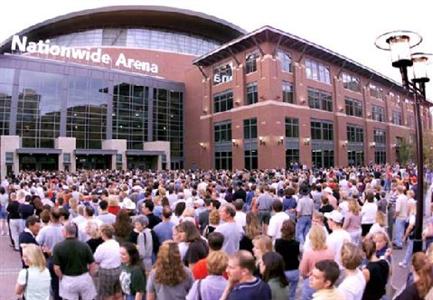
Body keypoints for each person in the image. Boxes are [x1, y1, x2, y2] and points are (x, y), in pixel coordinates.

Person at [52, 222, 97, 300]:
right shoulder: (84, 245)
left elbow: (56, 268)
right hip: (84, 277)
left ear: (65, 232)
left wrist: (61, 277)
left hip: (68, 278)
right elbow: (92, 263)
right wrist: (90, 274)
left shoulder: (58, 247)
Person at [299, 224, 334, 300]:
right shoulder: (330, 252)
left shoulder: (308, 253)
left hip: (311, 281)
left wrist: (307, 275)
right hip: (325, 281)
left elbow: (302, 270)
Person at [94, 224, 122, 300]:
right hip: (118, 269)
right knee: (118, 292)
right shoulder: (116, 243)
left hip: (106, 272)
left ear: (103, 233)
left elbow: (96, 259)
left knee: (107, 295)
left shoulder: (102, 247)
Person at [275, 219, 299, 300]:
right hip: (294, 270)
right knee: (292, 294)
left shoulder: (277, 242)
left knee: (281, 294)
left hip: (282, 270)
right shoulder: (297, 244)